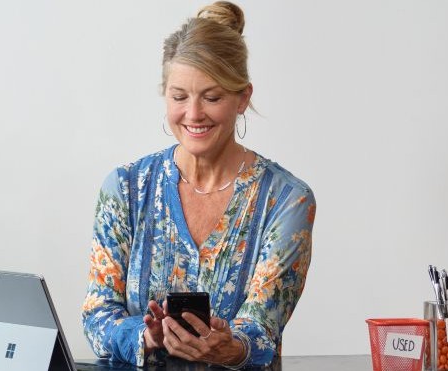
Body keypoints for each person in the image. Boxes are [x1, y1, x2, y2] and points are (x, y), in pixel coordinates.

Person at [81, 2, 315, 369]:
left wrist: (233, 346)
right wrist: (145, 336)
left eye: (212, 97)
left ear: (243, 98)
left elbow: (262, 326)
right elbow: (97, 314)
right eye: (179, 97)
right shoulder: (125, 189)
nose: (193, 114)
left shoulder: (286, 201)